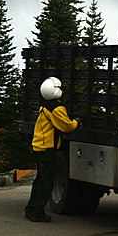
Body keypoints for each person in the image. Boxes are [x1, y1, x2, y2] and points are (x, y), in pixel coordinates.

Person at [24, 76, 79, 223]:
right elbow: (67, 126)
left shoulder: (45, 105)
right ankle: (37, 212)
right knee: (47, 182)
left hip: (39, 146)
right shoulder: (57, 109)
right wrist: (77, 122)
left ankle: (31, 208)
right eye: (59, 88)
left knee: (40, 179)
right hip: (47, 147)